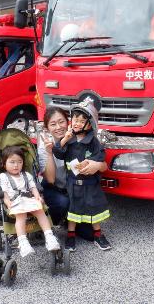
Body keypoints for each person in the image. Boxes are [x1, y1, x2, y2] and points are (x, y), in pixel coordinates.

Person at [37, 107, 107, 239]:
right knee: (64, 203)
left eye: (61, 122)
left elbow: (104, 166)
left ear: (68, 122)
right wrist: (49, 152)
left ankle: (70, 222)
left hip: (76, 188)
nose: (58, 127)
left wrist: (97, 165)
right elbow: (51, 180)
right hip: (56, 189)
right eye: (53, 124)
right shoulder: (45, 146)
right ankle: (55, 221)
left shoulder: (78, 138)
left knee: (90, 235)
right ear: (47, 128)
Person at [52, 99, 112, 252]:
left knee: (94, 208)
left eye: (81, 120)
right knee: (73, 209)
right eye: (75, 119)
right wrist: (64, 139)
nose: (77, 123)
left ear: (89, 124)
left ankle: (98, 234)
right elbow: (58, 153)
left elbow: (100, 158)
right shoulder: (69, 140)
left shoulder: (93, 141)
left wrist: (92, 163)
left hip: (90, 183)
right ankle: (70, 235)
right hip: (73, 182)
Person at [0, 145, 60, 257]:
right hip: (15, 201)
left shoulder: (26, 175)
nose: (16, 165)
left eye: (19, 162)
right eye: (12, 162)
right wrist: (8, 203)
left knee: (40, 211)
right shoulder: (3, 176)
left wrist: (37, 197)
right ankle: (23, 242)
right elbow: (5, 193)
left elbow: (33, 188)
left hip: (29, 199)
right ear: (4, 163)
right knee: (21, 215)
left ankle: (49, 236)